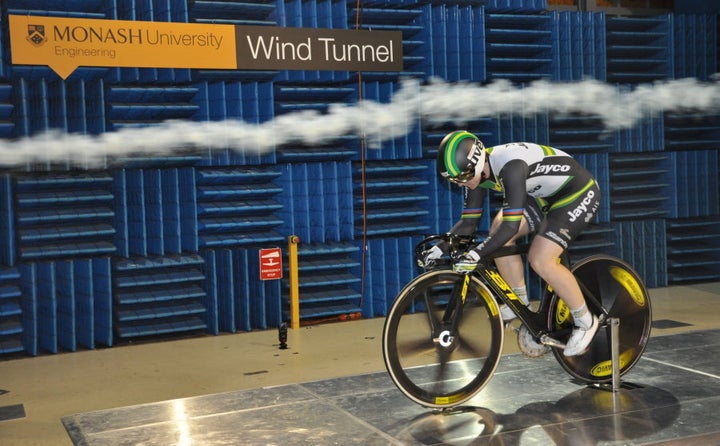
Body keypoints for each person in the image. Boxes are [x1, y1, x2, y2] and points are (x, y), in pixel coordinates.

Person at [424, 130, 601, 356]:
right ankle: (520, 302)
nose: (460, 185)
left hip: (577, 193)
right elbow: (468, 223)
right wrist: (440, 247)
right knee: (497, 231)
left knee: (540, 259)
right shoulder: (477, 175)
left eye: (462, 178)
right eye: (454, 180)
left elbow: (511, 226)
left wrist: (477, 254)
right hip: (542, 196)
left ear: (477, 165)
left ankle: (586, 321)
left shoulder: (511, 167)